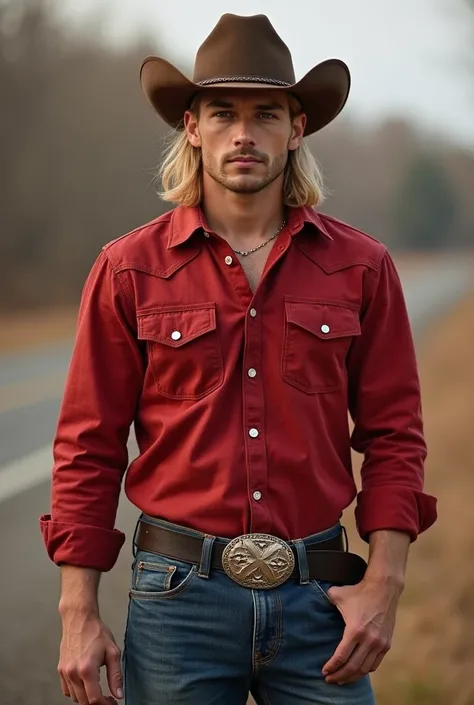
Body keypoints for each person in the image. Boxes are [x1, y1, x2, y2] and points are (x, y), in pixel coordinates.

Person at [40, 12, 438, 705]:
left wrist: (386, 581)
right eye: (222, 113)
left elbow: (395, 435)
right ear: (192, 126)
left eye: (266, 114)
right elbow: (87, 447)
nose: (244, 134)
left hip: (322, 599)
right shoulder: (127, 269)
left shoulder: (363, 268)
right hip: (176, 603)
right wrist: (78, 611)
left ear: (297, 127)